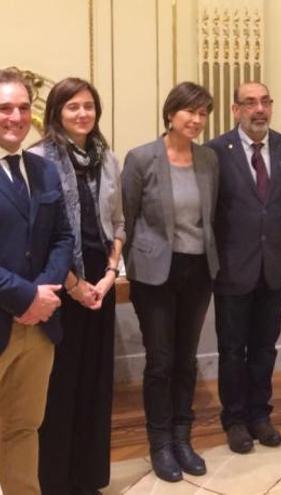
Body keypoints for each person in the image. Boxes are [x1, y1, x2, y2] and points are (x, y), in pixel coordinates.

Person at [31, 77, 124, 495]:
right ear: (56, 113)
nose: (83, 114)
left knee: (95, 385)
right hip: (59, 292)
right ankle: (56, 483)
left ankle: (89, 480)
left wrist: (107, 276)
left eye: (89, 106)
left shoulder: (108, 158)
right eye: (73, 107)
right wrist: (74, 285)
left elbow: (119, 223)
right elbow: (41, 237)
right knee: (59, 391)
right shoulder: (39, 161)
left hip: (99, 290)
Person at [122, 82, 218, 482]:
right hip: (155, 274)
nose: (196, 120)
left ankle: (183, 438)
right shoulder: (142, 158)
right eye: (189, 112)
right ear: (170, 113)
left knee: (185, 359)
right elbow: (126, 218)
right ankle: (159, 443)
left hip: (198, 271)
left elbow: (212, 218)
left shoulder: (209, 160)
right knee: (160, 361)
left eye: (202, 114)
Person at [206, 82, 281, 454]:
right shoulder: (214, 153)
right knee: (232, 349)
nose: (258, 109)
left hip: (273, 266)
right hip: (232, 268)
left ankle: (260, 414)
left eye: (264, 102)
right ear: (235, 109)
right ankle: (235, 420)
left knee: (265, 348)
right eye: (250, 103)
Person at [0, 67, 74, 495]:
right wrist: (25, 296)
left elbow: (62, 236)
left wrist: (43, 295)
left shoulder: (42, 170)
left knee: (24, 429)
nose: (16, 117)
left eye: (24, 107)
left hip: (39, 328)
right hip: (7, 316)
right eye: (5, 108)